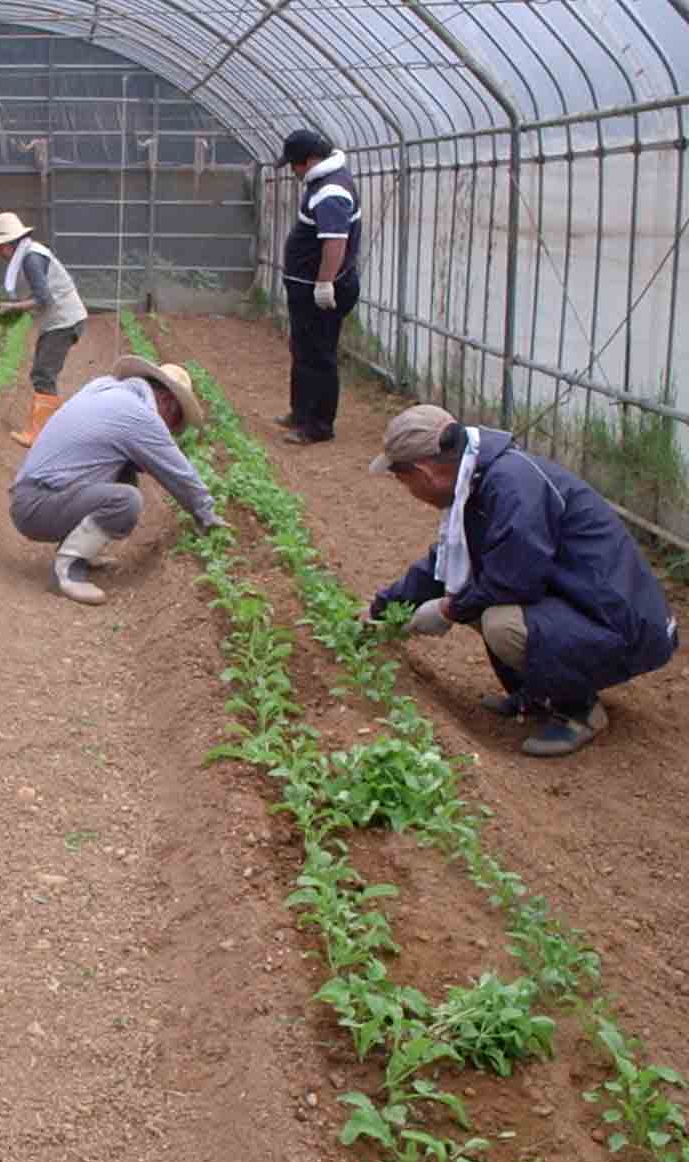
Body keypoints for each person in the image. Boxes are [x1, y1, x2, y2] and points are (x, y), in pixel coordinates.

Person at [368, 405, 679, 757]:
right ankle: (534, 695)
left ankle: (579, 711)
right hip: (586, 608)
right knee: (473, 600)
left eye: (402, 479)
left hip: (624, 628)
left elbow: (513, 583)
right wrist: (379, 608)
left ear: (424, 473)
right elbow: (443, 564)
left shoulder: (510, 485)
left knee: (499, 621)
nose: (407, 490)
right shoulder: (478, 479)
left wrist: (446, 609)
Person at [9, 355, 228, 605]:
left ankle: (82, 548)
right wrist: (207, 513)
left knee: (126, 472)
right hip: (36, 506)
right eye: (175, 423)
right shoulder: (138, 415)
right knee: (126, 501)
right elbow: (177, 470)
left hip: (31, 494)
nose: (170, 430)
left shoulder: (105, 387)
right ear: (167, 402)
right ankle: (67, 573)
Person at [0, 211, 89, 448]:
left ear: (6, 245)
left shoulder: (30, 259)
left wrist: (12, 307)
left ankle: (41, 434)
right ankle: (49, 429)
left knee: (43, 374)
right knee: (43, 372)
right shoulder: (31, 253)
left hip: (64, 320)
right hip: (61, 320)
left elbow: (43, 299)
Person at [275, 129, 361, 445]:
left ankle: (318, 426)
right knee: (303, 351)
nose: (294, 171)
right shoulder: (322, 184)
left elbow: (335, 241)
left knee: (318, 356)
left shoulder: (332, 191)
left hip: (320, 291)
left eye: (294, 164)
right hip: (306, 289)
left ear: (309, 160)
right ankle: (300, 413)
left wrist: (324, 283)